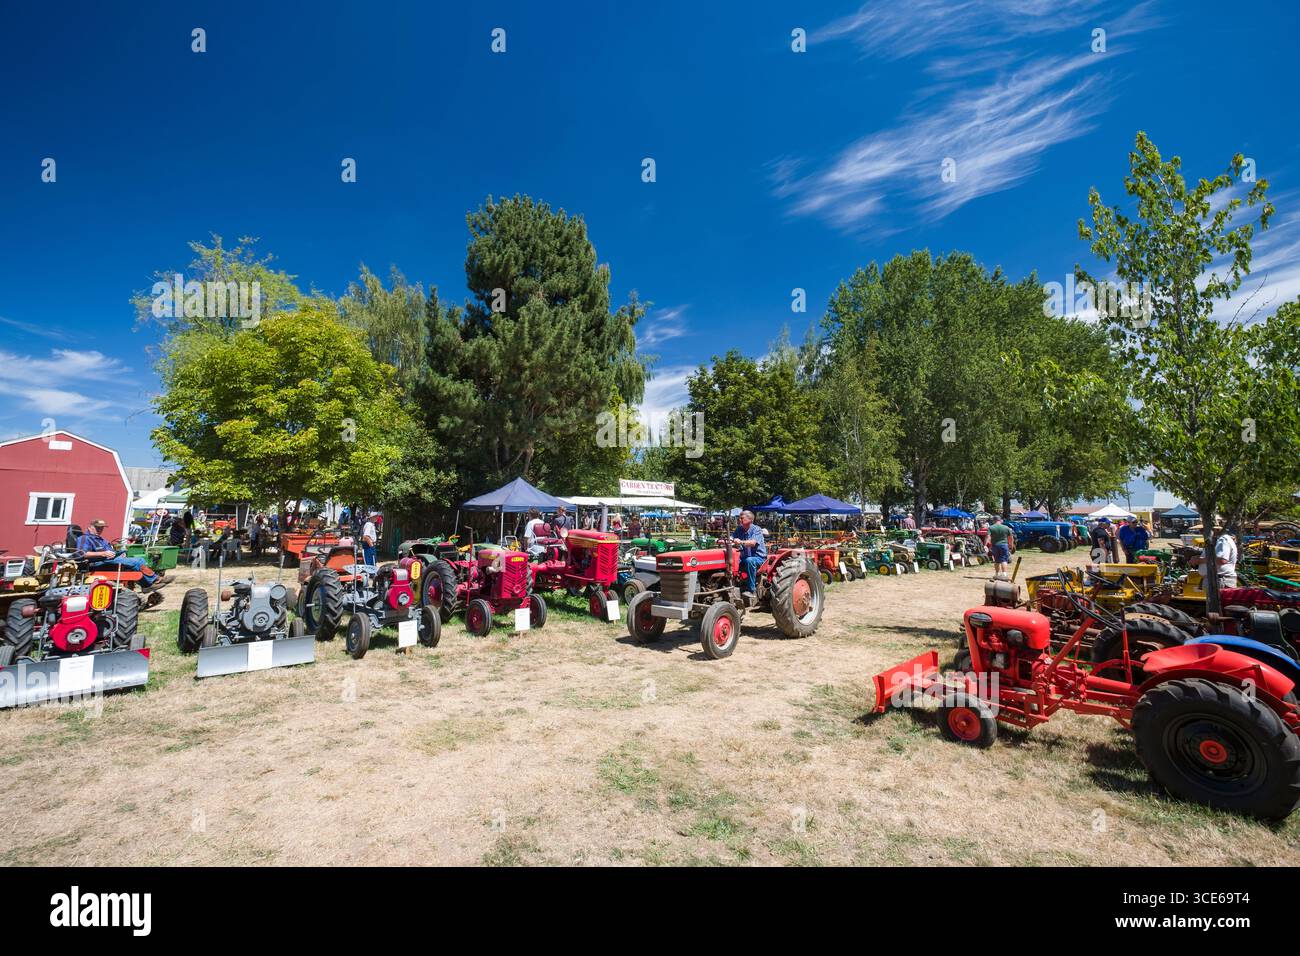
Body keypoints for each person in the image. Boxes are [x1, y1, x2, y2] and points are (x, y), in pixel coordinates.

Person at [76, 519, 168, 591]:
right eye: (97, 528)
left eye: (101, 528)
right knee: (136, 562)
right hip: (97, 564)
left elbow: (110, 551)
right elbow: (83, 554)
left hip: (108, 560)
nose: (100, 530)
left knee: (140, 559)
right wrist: (103, 553)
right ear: (90, 527)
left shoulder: (100, 539)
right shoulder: (84, 538)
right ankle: (153, 580)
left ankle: (148, 584)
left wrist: (118, 554)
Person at [730, 510, 768, 593]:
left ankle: (752, 590)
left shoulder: (756, 529)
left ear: (750, 520)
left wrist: (740, 541)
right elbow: (731, 538)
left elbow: (753, 543)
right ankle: (732, 585)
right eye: (739, 518)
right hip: (744, 557)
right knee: (732, 562)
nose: (739, 519)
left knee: (749, 560)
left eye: (741, 518)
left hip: (758, 558)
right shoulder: (739, 529)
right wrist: (724, 540)